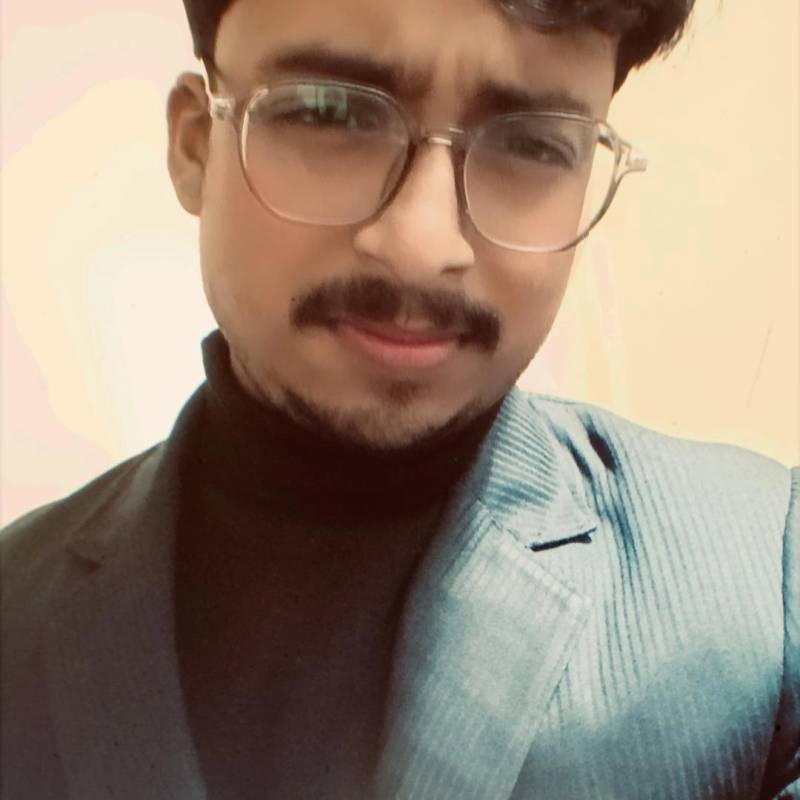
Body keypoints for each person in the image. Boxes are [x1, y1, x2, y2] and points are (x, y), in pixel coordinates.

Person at [1, 0, 797, 797]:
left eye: (530, 143)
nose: (420, 246)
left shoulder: (769, 587)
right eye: (330, 112)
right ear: (194, 145)